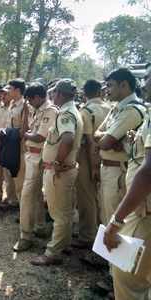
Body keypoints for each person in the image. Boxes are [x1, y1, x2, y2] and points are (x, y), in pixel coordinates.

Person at [103, 74, 151, 299]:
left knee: (128, 275)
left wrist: (117, 220)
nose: (144, 83)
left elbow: (148, 171)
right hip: (142, 207)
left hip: (144, 212)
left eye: (149, 77)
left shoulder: (135, 110)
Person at [30, 79, 83, 266]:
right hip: (65, 169)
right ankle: (64, 243)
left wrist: (58, 162)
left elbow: (67, 139)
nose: (51, 96)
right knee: (65, 211)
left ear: (60, 94)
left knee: (58, 213)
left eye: (53, 93)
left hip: (60, 171)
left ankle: (52, 253)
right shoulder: (71, 111)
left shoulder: (66, 114)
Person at [95, 68, 146, 226]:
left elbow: (104, 143)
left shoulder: (132, 110)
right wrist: (107, 138)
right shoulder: (116, 108)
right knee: (105, 215)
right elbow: (97, 134)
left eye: (110, 85)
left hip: (120, 172)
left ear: (124, 85)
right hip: (109, 169)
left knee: (115, 222)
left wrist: (108, 139)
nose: (106, 90)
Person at [13, 82, 58, 252]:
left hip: (41, 156)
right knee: (36, 194)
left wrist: (25, 134)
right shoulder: (36, 109)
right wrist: (26, 115)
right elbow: (28, 130)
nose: (29, 103)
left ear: (38, 97)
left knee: (26, 195)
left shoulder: (50, 111)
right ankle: (40, 226)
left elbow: (39, 137)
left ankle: (25, 235)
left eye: (30, 100)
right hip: (31, 155)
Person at [73, 80, 111, 249]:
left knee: (86, 196)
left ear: (85, 92)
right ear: (100, 91)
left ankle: (87, 234)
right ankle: (102, 230)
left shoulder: (86, 111)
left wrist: (93, 166)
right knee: (103, 198)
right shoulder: (110, 108)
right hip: (109, 158)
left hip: (89, 158)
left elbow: (89, 142)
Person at [6, 78, 27, 205]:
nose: (8, 91)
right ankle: (14, 202)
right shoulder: (12, 104)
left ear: (18, 90)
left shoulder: (25, 105)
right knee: (11, 175)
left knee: (20, 177)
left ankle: (23, 209)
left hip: (19, 146)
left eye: (10, 89)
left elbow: (24, 128)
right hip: (10, 144)